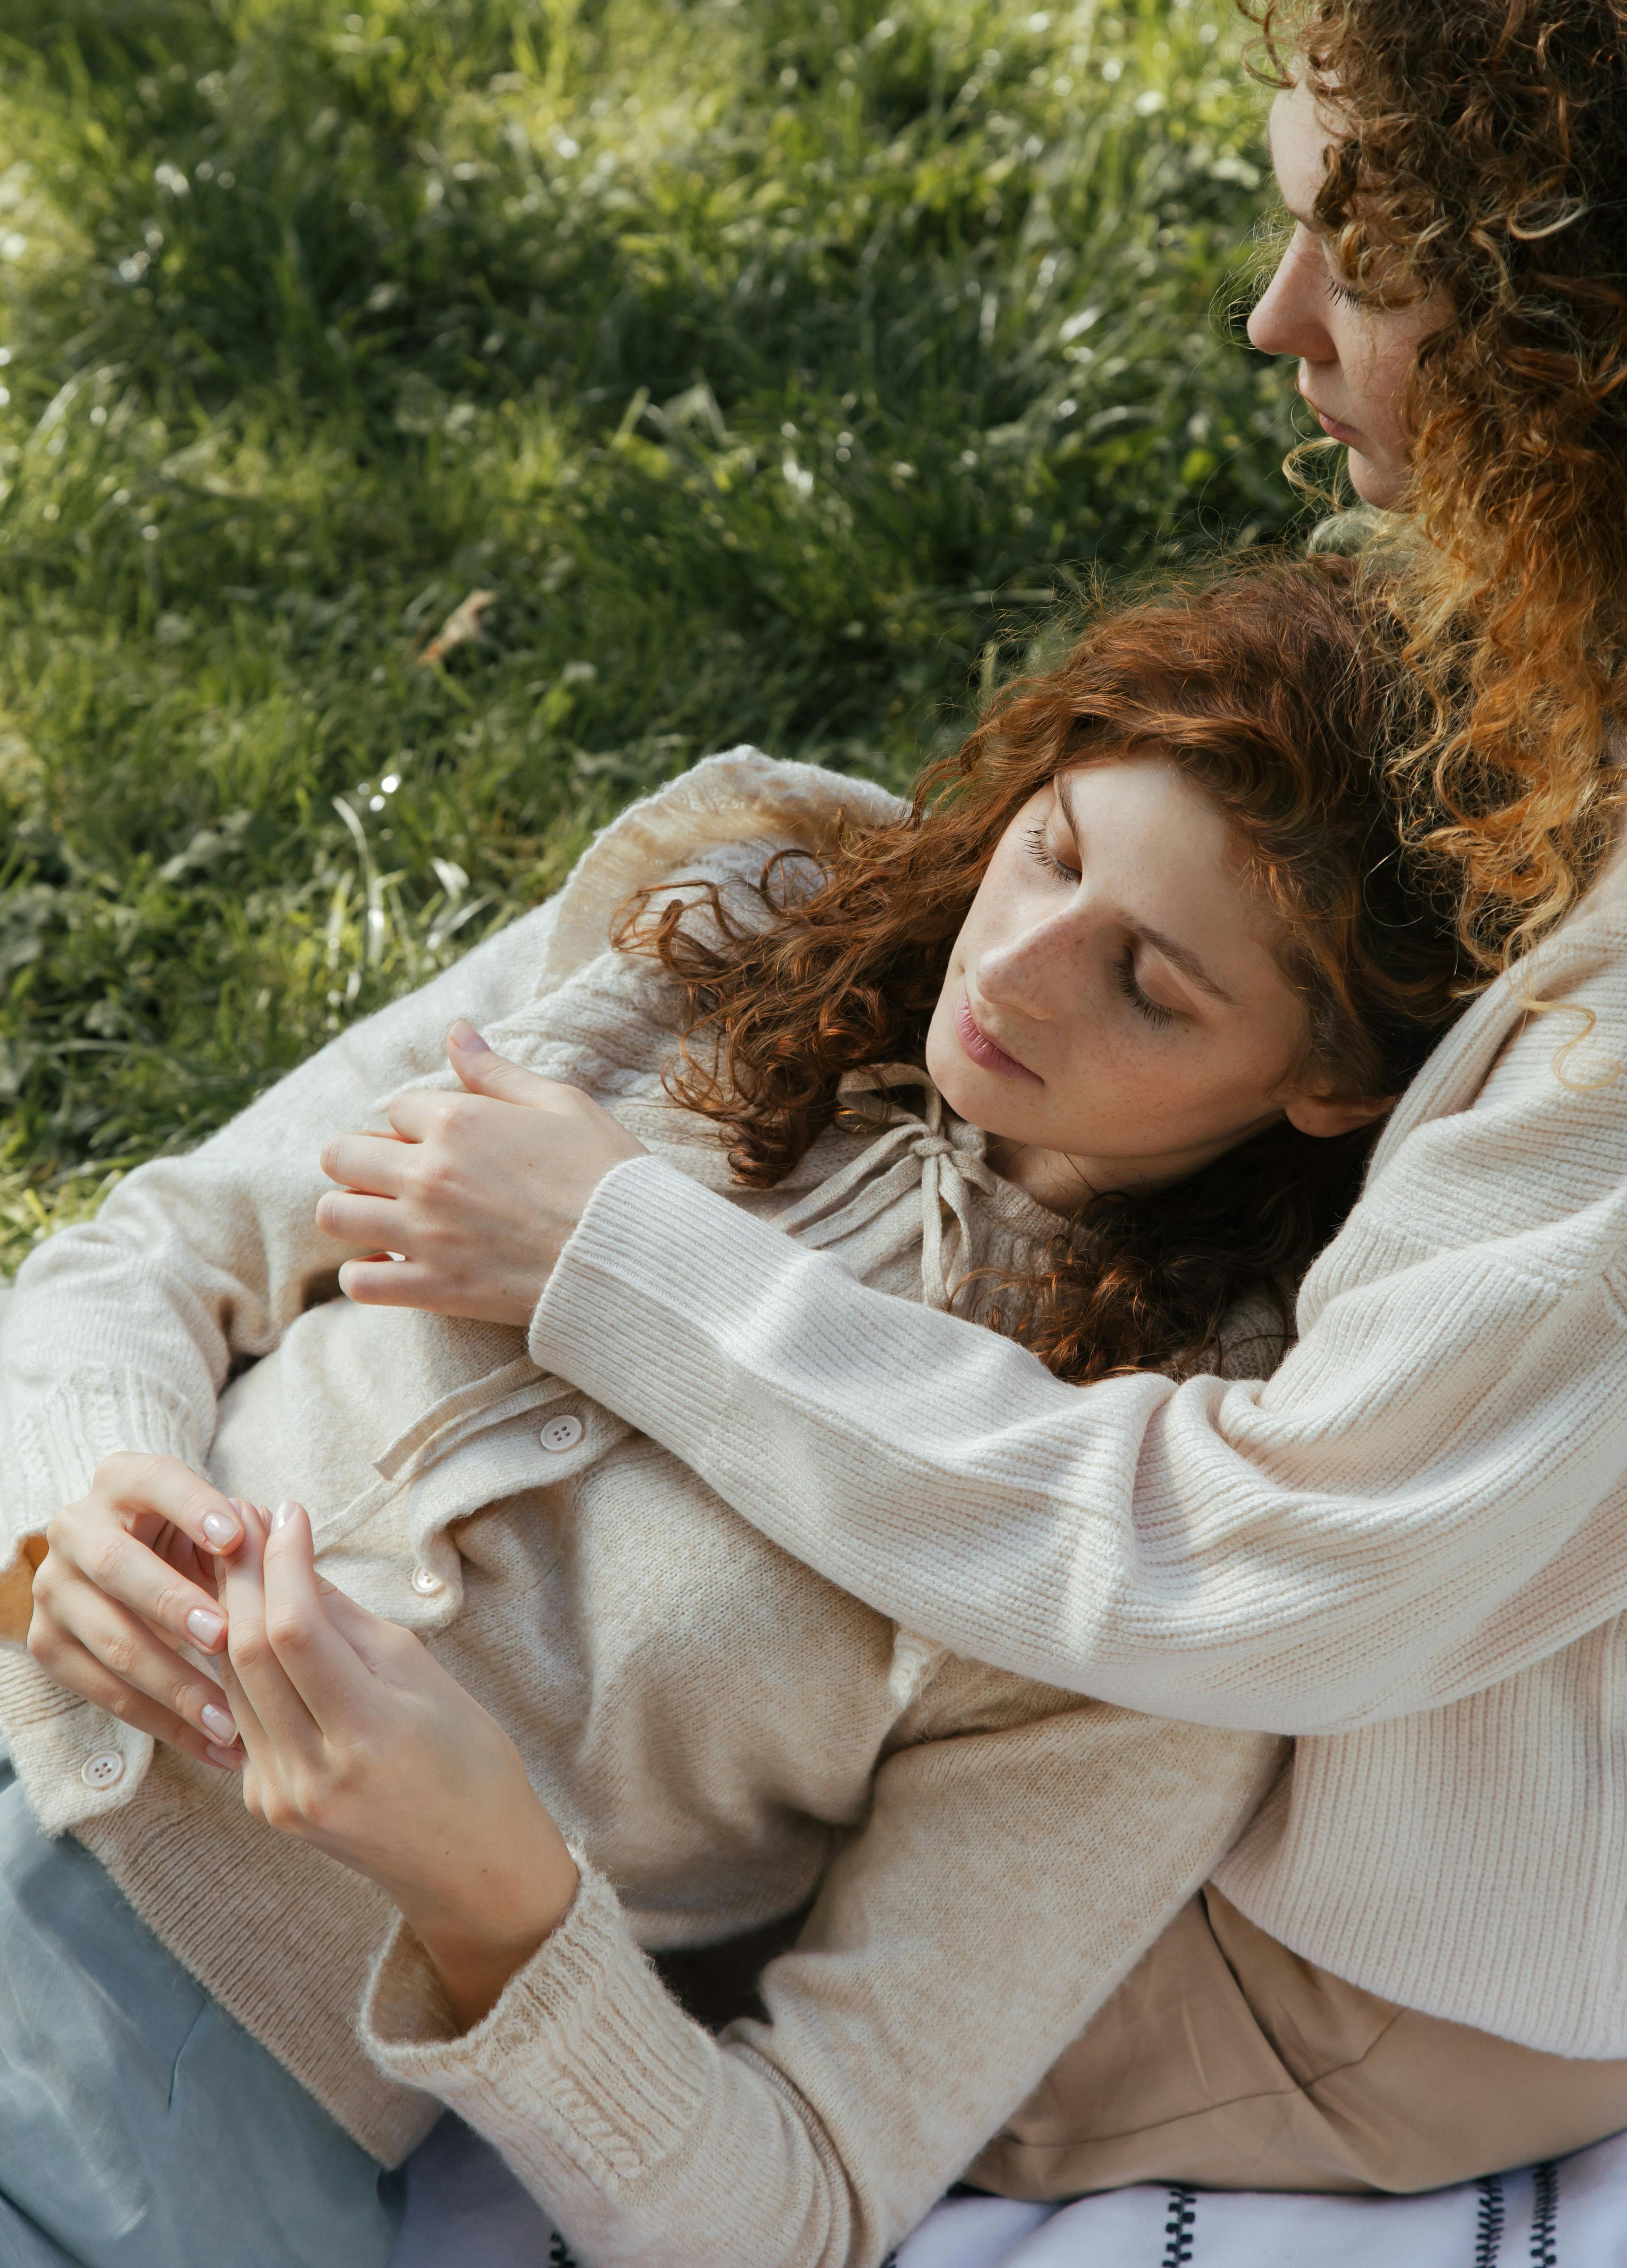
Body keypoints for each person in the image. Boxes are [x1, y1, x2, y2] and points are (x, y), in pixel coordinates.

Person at [293, 0, 1627, 2206]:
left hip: (1348, 1961)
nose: (1277, 316)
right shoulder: (768, 902)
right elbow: (180, 1246)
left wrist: (617, 1259)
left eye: (1378, 260)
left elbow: (1262, 1570)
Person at [1, 562, 1463, 2268]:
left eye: (1152, 985)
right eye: (1052, 848)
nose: (1021, 967)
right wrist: (73, 1498)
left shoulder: (1158, 1544)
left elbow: (798, 2209)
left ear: (1333, 1082)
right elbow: (165, 1249)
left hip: (158, 2096)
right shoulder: (734, 928)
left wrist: (495, 1888)